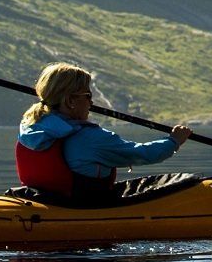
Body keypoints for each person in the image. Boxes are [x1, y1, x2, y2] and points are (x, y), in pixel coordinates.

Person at [14, 62, 192, 203]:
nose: (91, 103)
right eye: (88, 96)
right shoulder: (91, 138)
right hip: (81, 209)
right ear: (70, 101)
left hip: (40, 203)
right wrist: (173, 141)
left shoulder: (30, 128)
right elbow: (142, 154)